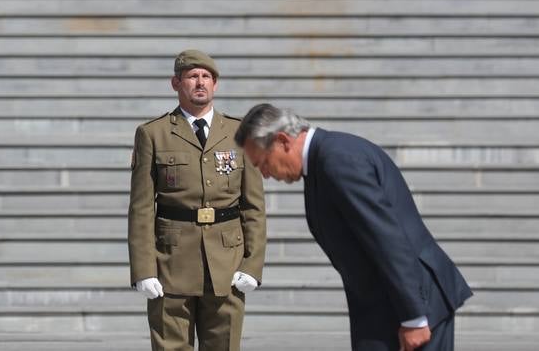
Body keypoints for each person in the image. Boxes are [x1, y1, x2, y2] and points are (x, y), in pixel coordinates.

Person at [236, 104, 472, 351]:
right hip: (384, 309)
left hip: (413, 305)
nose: (265, 174)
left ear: (283, 141)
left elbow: (385, 236)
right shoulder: (321, 164)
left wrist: (414, 317)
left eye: (263, 163)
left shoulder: (338, 160)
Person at [128, 50, 267, 351]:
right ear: (176, 83)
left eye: (207, 76)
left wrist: (252, 264)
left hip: (226, 263)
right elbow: (141, 209)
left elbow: (254, 206)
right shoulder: (153, 134)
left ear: (215, 84)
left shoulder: (239, 133)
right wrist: (143, 269)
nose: (200, 82)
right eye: (192, 76)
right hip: (171, 262)